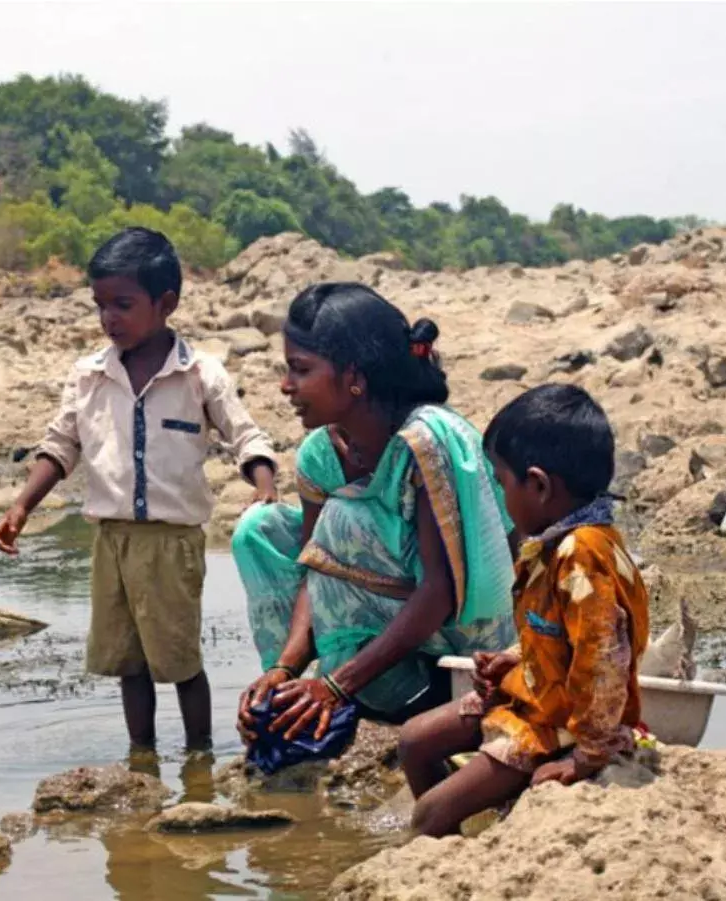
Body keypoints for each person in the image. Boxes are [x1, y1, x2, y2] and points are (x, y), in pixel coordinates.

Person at [0, 227, 278, 752]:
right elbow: (60, 445)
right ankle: (141, 756)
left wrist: (263, 486)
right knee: (129, 662)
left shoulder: (199, 374)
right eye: (100, 305)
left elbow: (246, 434)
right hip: (111, 542)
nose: (109, 318)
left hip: (172, 543)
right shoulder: (90, 375)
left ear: (165, 302)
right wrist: (21, 505)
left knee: (180, 660)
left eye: (122, 304)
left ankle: (199, 757)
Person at [232, 282, 516, 750]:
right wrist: (285, 669)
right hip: (384, 640)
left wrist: (335, 685)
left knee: (344, 518)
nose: (286, 386)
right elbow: (314, 574)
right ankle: (316, 696)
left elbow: (441, 590)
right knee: (256, 532)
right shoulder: (321, 454)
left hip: (459, 651)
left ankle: (361, 689)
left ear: (354, 378)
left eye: (301, 370)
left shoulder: (428, 440)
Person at [396, 384, 651, 837]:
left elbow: (603, 661)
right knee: (414, 741)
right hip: (534, 693)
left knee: (428, 815)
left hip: (559, 721)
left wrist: (587, 755)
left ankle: (449, 835)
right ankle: (467, 829)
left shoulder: (582, 554)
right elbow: (559, 633)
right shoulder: (556, 543)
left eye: (501, 481)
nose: (500, 496)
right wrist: (513, 658)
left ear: (538, 485)